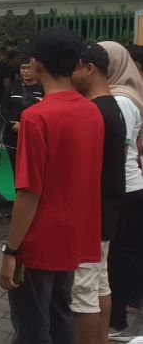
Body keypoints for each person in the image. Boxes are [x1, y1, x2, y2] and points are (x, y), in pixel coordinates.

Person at [0, 28, 104, 343]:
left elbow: (29, 192)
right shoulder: (92, 111)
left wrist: (11, 250)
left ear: (37, 63)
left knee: (32, 328)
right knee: (60, 322)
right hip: (73, 239)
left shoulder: (36, 117)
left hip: (39, 242)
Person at [69, 42, 127, 344]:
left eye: (73, 68)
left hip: (91, 215)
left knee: (82, 295)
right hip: (107, 211)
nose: (70, 76)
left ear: (88, 68)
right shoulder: (113, 106)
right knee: (100, 285)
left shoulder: (94, 111)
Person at [101, 41, 143, 341]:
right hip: (129, 185)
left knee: (118, 256)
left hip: (125, 189)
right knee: (124, 253)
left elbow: (118, 148)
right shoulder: (126, 95)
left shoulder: (121, 100)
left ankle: (116, 320)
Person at [0, 56, 43, 173]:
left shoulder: (43, 88)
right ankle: (18, 191)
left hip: (35, 134)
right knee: (17, 168)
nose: (26, 71)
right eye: (23, 68)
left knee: (34, 168)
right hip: (13, 134)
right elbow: (3, 107)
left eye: (29, 68)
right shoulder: (13, 87)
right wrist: (14, 123)